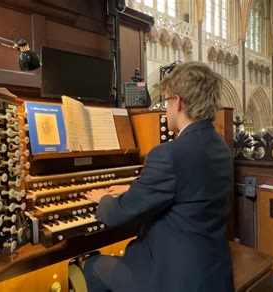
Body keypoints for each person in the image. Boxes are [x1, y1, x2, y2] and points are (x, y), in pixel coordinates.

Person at [83, 61, 234, 292]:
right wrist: (133, 188)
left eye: (166, 102)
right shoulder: (220, 147)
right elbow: (187, 187)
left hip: (173, 278)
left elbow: (115, 215)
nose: (165, 110)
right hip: (212, 271)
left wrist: (102, 197)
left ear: (178, 102)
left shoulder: (169, 154)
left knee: (93, 265)